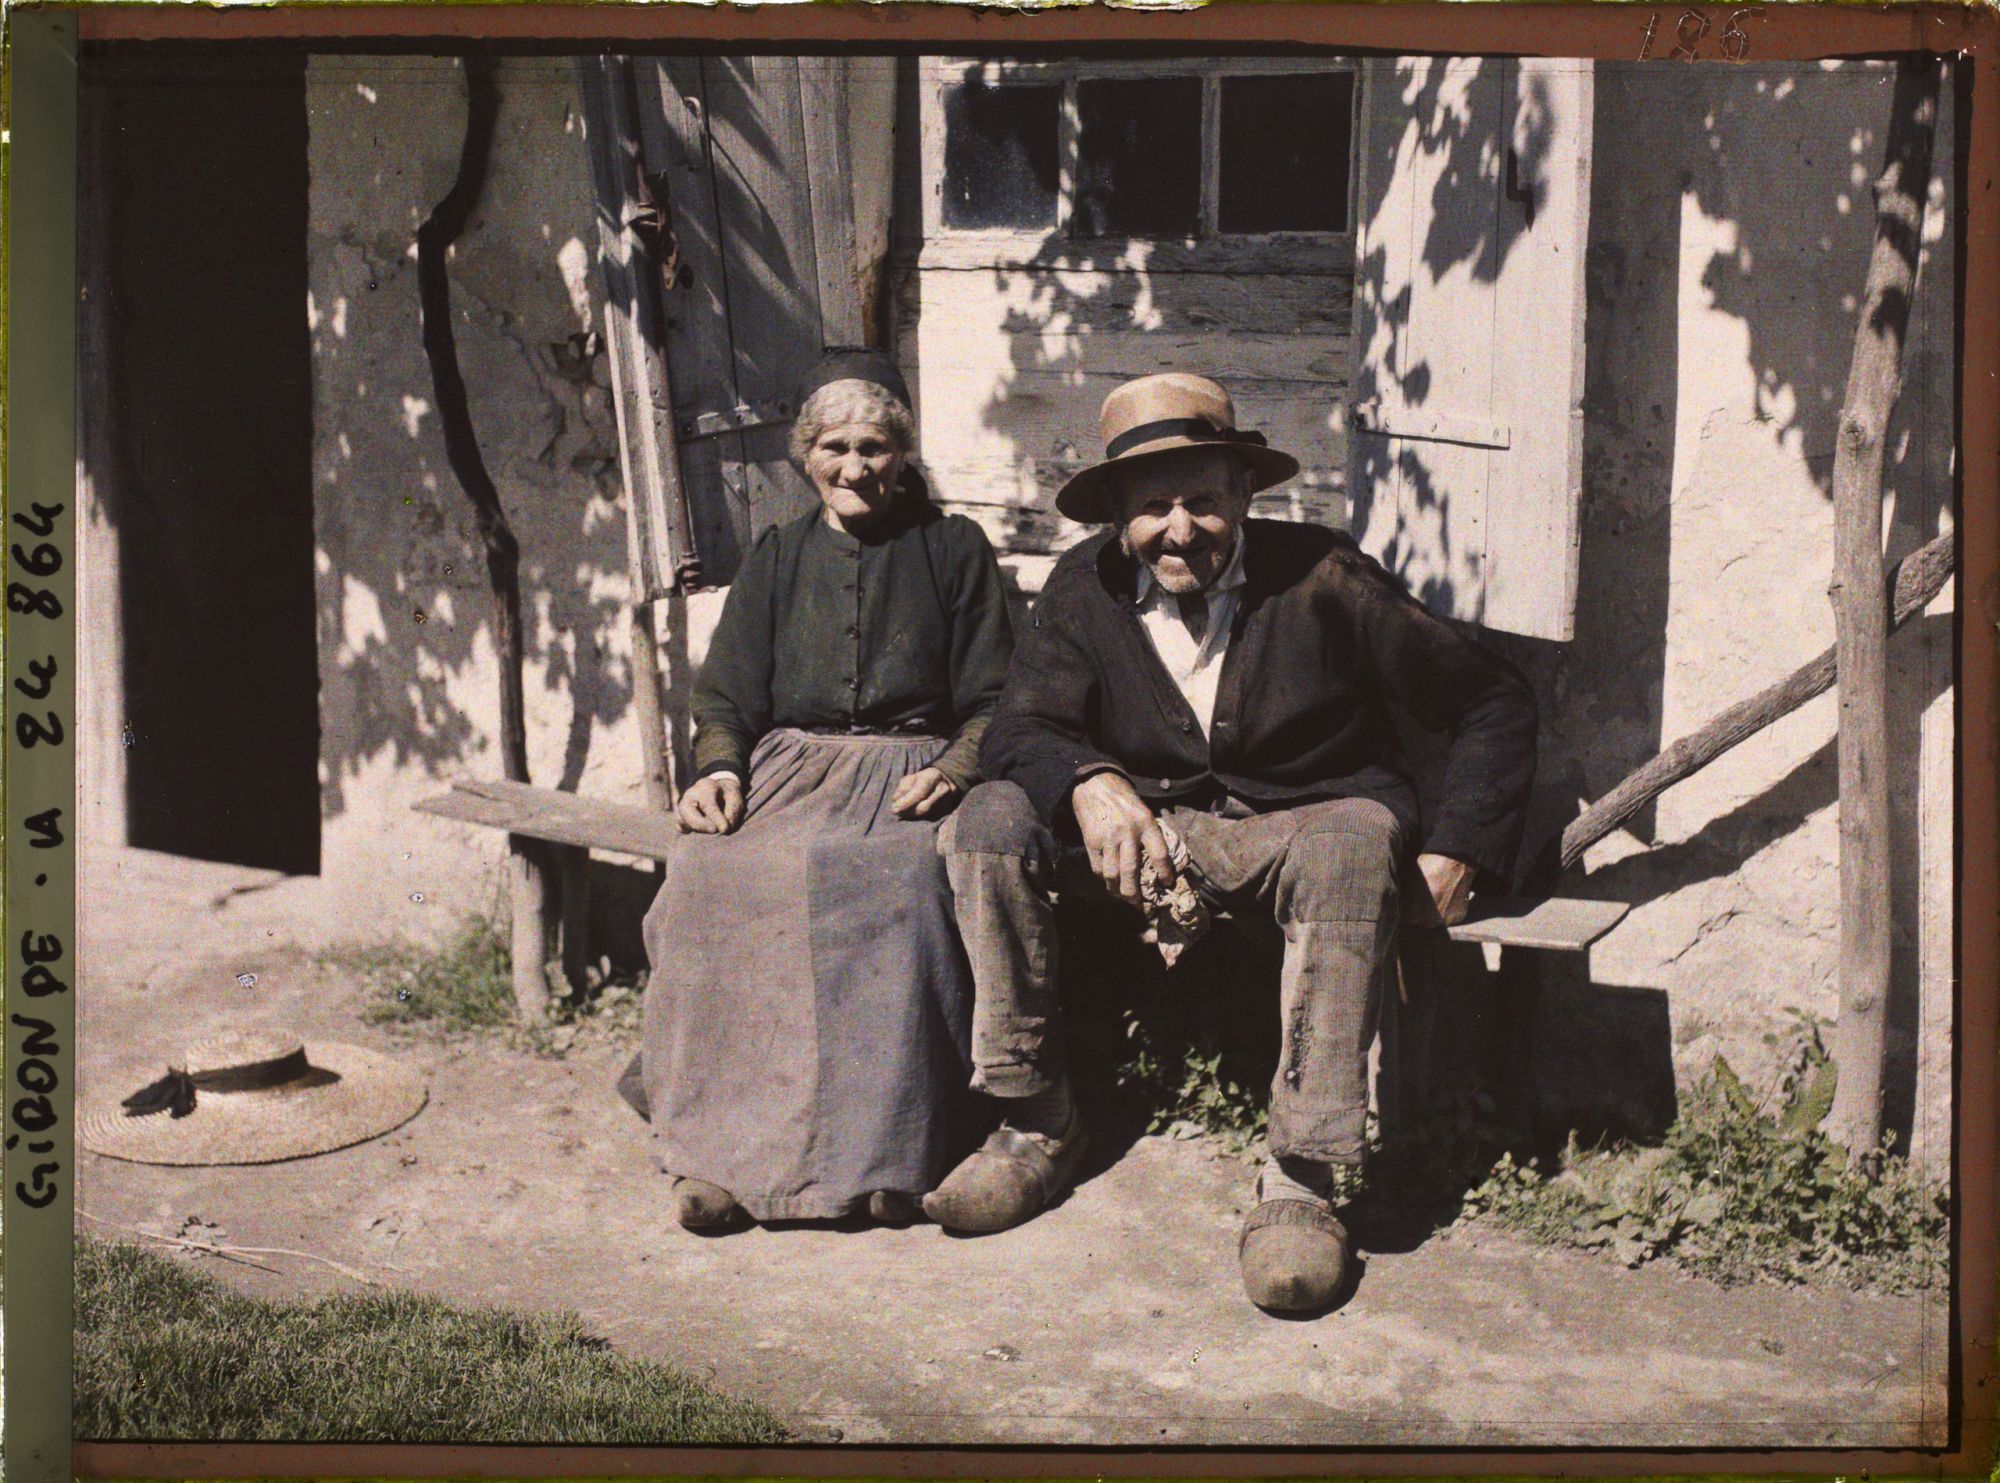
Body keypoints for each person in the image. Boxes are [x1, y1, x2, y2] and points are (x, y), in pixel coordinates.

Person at [926, 372, 1537, 1313]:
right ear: (1118, 517)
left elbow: (1492, 697)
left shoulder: (1324, 576)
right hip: (1152, 838)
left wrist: (1460, 846)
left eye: (1202, 500)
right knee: (984, 823)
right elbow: (1021, 727)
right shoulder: (1083, 587)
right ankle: (1033, 1117)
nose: (1180, 530)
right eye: (1152, 508)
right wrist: (1090, 782)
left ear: (1245, 495)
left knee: (1351, 844)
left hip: (1301, 827)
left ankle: (1303, 1173)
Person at [636, 348, 1013, 1230]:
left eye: (876, 446)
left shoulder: (953, 550)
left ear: (904, 452)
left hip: (905, 774)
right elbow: (726, 693)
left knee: (893, 885)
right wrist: (720, 768)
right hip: (789, 771)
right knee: (711, 878)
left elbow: (1000, 699)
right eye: (834, 446)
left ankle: (883, 1159)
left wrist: (955, 768)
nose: (855, 468)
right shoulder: (776, 556)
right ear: (805, 454)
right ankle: (717, 1153)